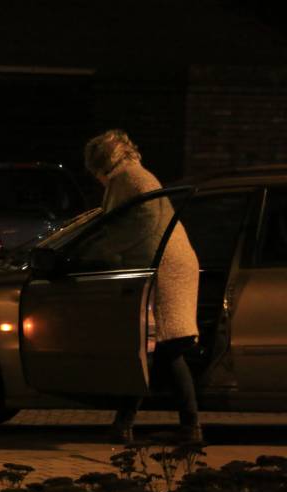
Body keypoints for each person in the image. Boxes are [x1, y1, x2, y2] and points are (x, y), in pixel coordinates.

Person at [84, 129, 202, 443]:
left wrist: (109, 250)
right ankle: (128, 424)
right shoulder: (132, 176)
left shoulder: (129, 178)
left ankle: (186, 427)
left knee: (160, 347)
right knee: (156, 348)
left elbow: (140, 223)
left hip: (164, 266)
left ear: (101, 162)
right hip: (168, 262)